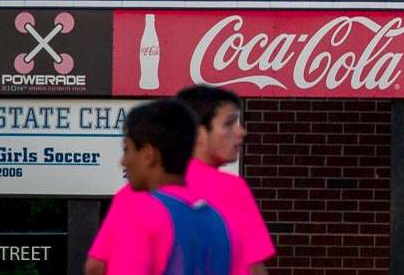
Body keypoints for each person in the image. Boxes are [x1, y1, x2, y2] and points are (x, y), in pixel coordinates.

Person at [87, 87, 274, 274]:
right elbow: (253, 268)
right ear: (198, 132)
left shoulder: (135, 193)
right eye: (229, 123)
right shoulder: (231, 191)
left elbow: (96, 265)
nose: (241, 131)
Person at [99, 99, 234, 274]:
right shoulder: (216, 219)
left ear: (148, 154)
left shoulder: (140, 214)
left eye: (127, 150)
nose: (123, 162)